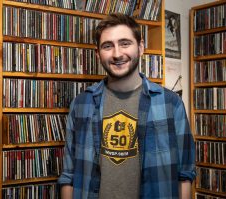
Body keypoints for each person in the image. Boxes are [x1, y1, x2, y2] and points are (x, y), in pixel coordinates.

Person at [58, 13, 196, 199]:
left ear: (140, 47)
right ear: (98, 54)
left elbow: (184, 173)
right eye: (108, 46)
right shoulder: (81, 104)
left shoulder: (171, 103)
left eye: (125, 43)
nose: (117, 54)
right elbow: (69, 174)